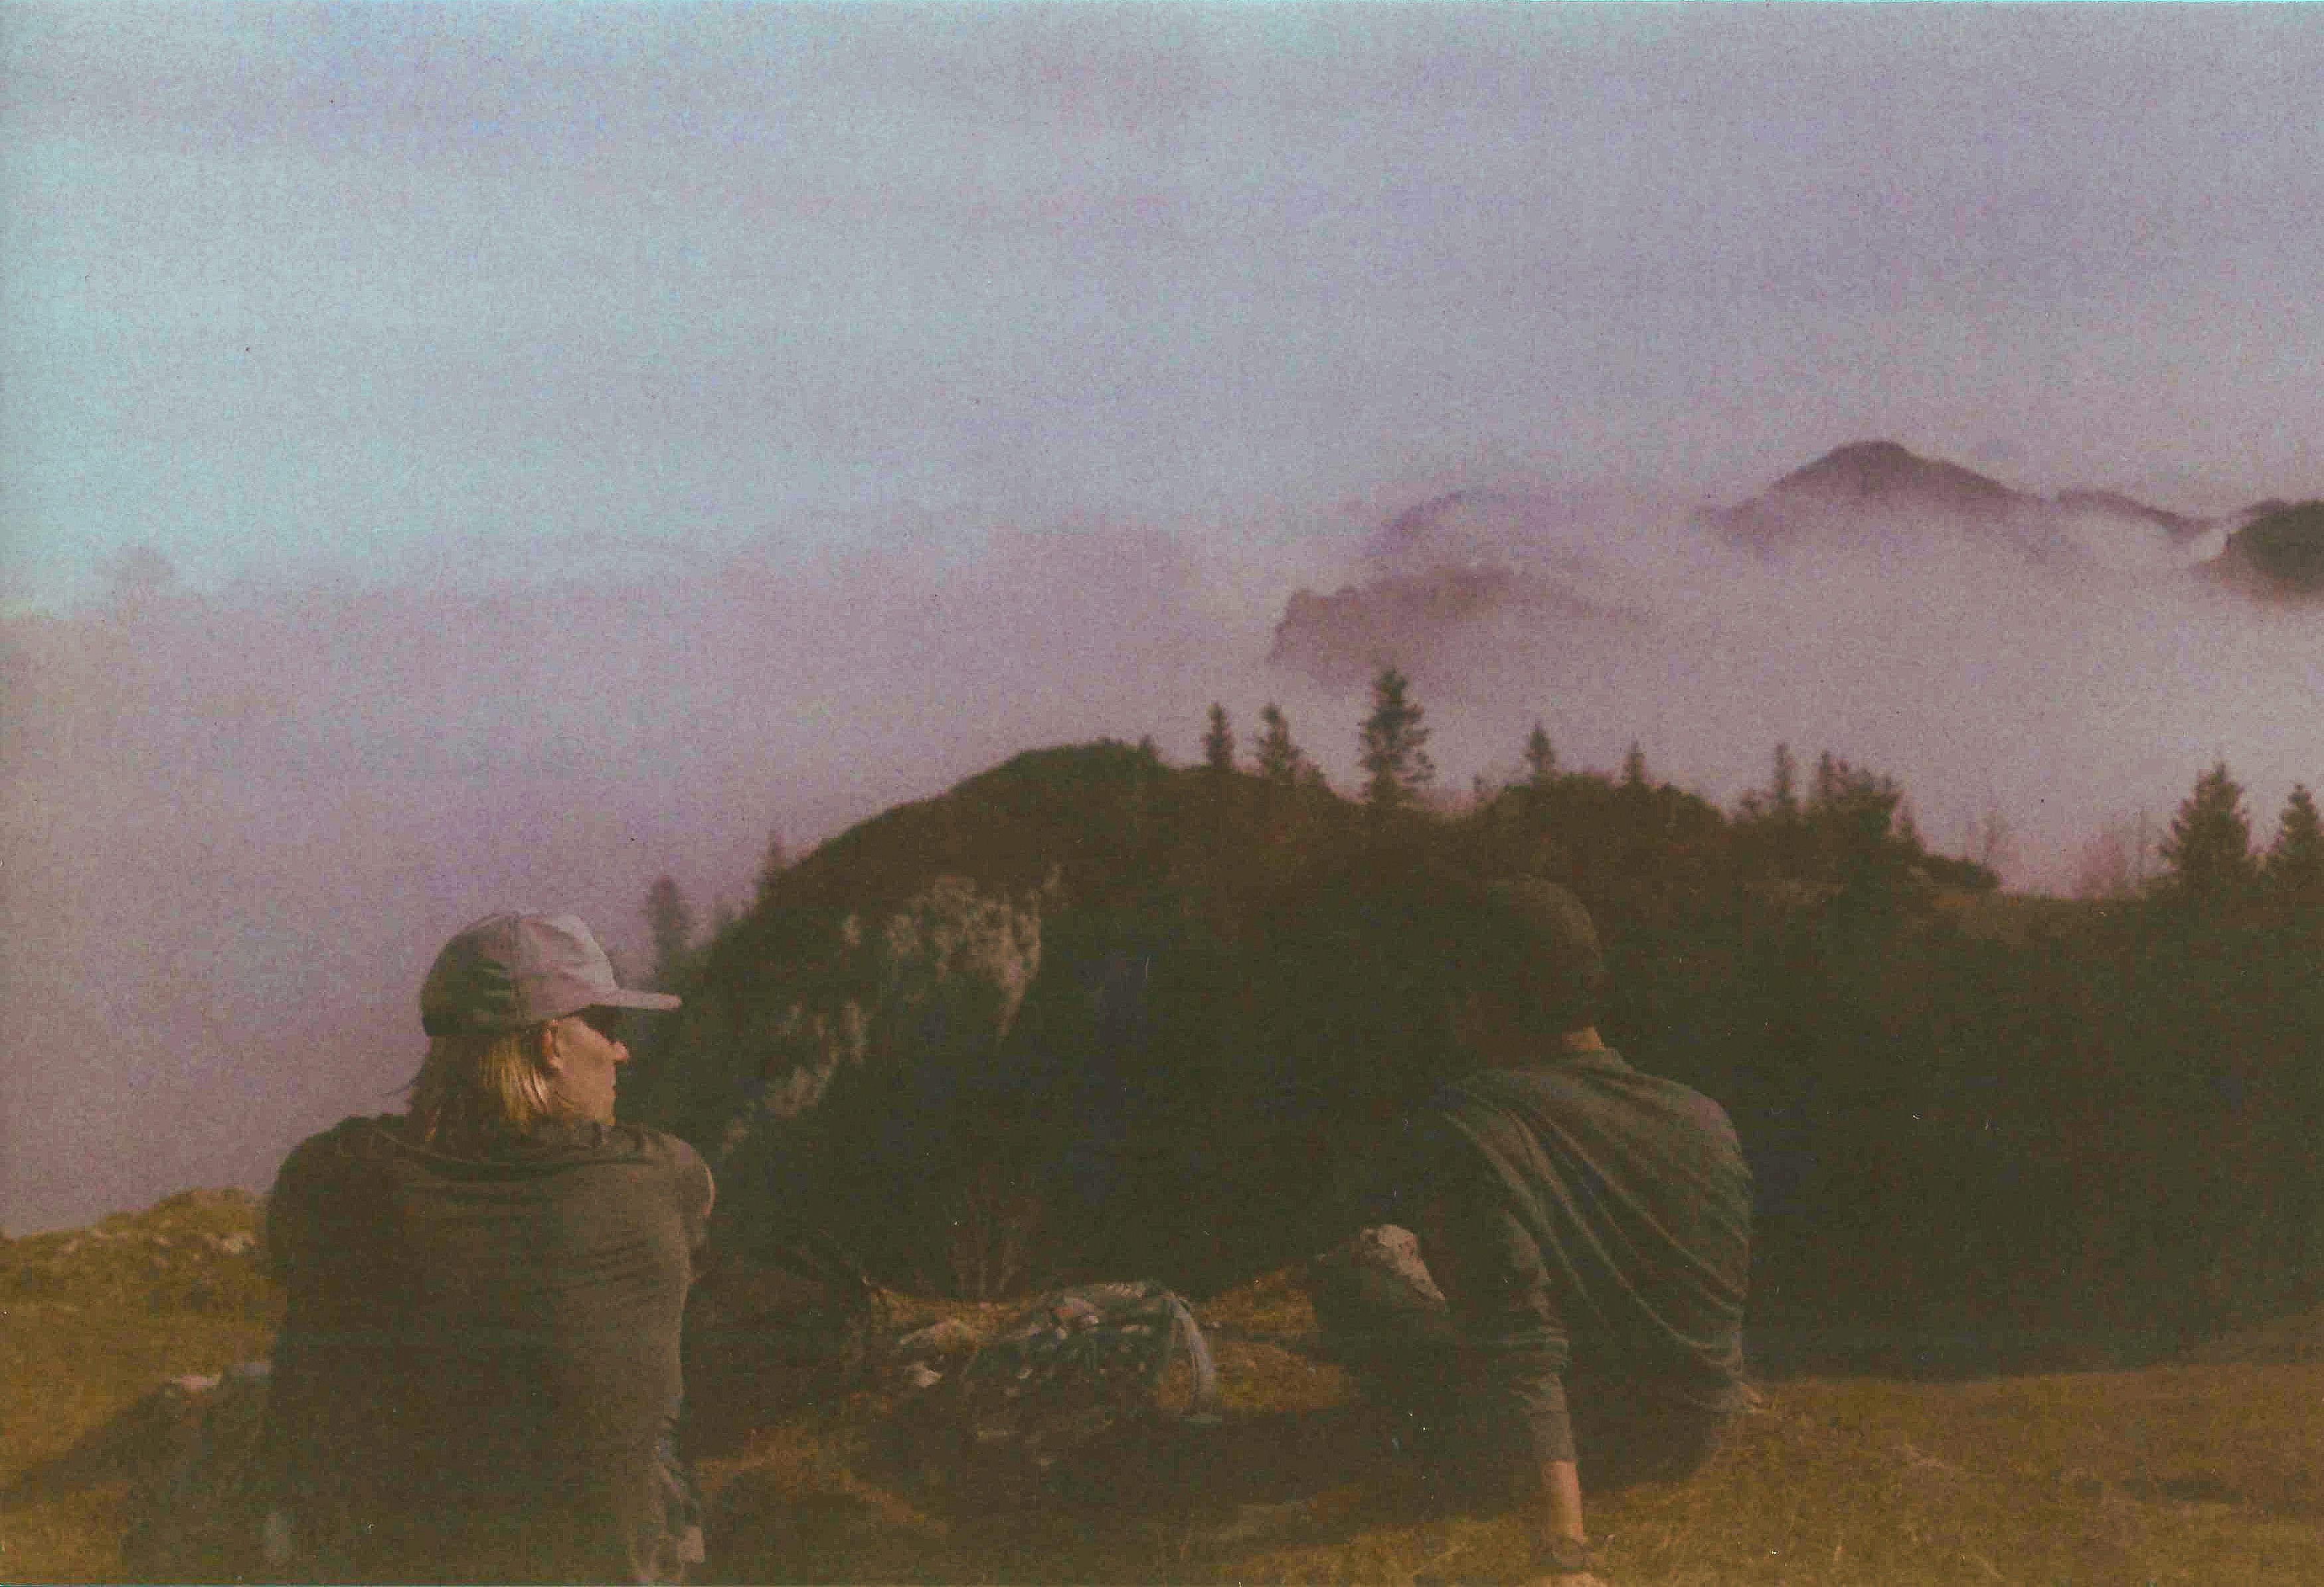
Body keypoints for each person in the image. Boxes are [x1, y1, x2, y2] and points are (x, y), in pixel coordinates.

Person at [262, 911, 713, 1584]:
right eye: (607, 1025)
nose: (622, 1051)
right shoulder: (664, 1175)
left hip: (396, 1560)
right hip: (591, 1568)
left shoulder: (334, 1174)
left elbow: (288, 1262)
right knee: (657, 1422)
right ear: (551, 1042)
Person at [1396, 880, 1752, 1586]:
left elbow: (1519, 1339)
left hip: (1590, 1443)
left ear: (1479, 999)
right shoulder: (1703, 1117)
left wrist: (1562, 1552)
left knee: (1365, 1274)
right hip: (1693, 1432)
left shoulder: (1472, 1123)